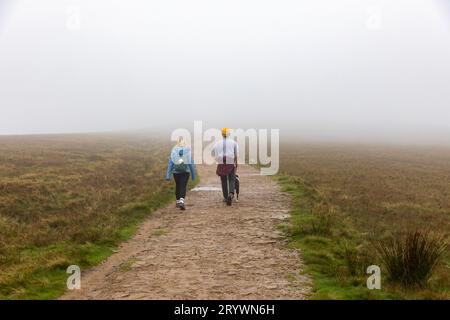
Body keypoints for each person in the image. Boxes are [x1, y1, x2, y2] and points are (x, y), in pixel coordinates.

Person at [166, 138, 196, 210]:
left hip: (176, 172)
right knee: (183, 186)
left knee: (178, 186)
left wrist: (168, 177)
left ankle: (177, 201)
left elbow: (170, 164)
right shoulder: (187, 150)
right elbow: (191, 164)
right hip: (185, 172)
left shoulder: (174, 150)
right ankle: (182, 201)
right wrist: (193, 175)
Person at [214, 127, 238, 206]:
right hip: (230, 161)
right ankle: (231, 194)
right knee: (231, 179)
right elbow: (236, 154)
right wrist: (236, 163)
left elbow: (213, 153)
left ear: (222, 134)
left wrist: (217, 157)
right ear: (229, 134)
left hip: (221, 161)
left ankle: (225, 197)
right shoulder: (234, 143)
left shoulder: (218, 143)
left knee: (223, 180)